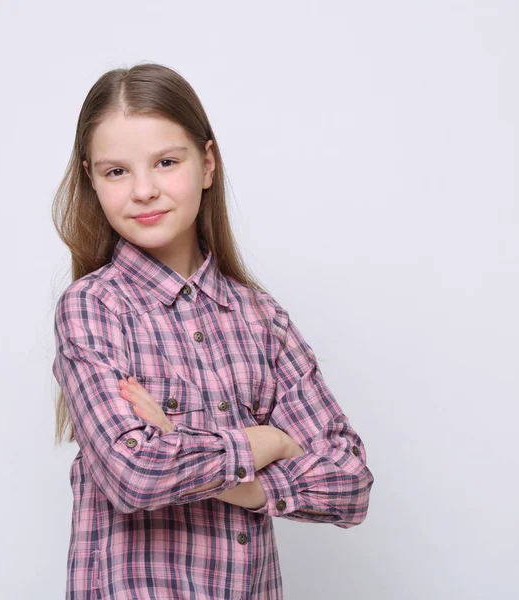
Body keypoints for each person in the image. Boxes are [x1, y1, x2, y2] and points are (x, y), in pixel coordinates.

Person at [51, 62, 374, 600]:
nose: (144, 190)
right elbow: (134, 474)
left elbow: (350, 483)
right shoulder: (93, 309)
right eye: (116, 172)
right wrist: (266, 441)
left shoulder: (260, 318)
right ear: (91, 179)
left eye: (166, 162)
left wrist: (199, 458)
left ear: (207, 163)